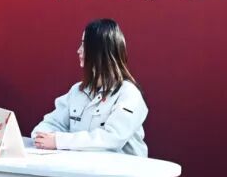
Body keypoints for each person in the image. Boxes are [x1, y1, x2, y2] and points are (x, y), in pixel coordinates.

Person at [31, 19, 148, 157]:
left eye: (84, 45)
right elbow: (51, 124)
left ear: (100, 51)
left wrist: (59, 141)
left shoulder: (128, 94)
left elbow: (112, 139)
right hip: (80, 167)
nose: (78, 51)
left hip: (119, 170)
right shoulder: (77, 91)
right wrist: (41, 137)